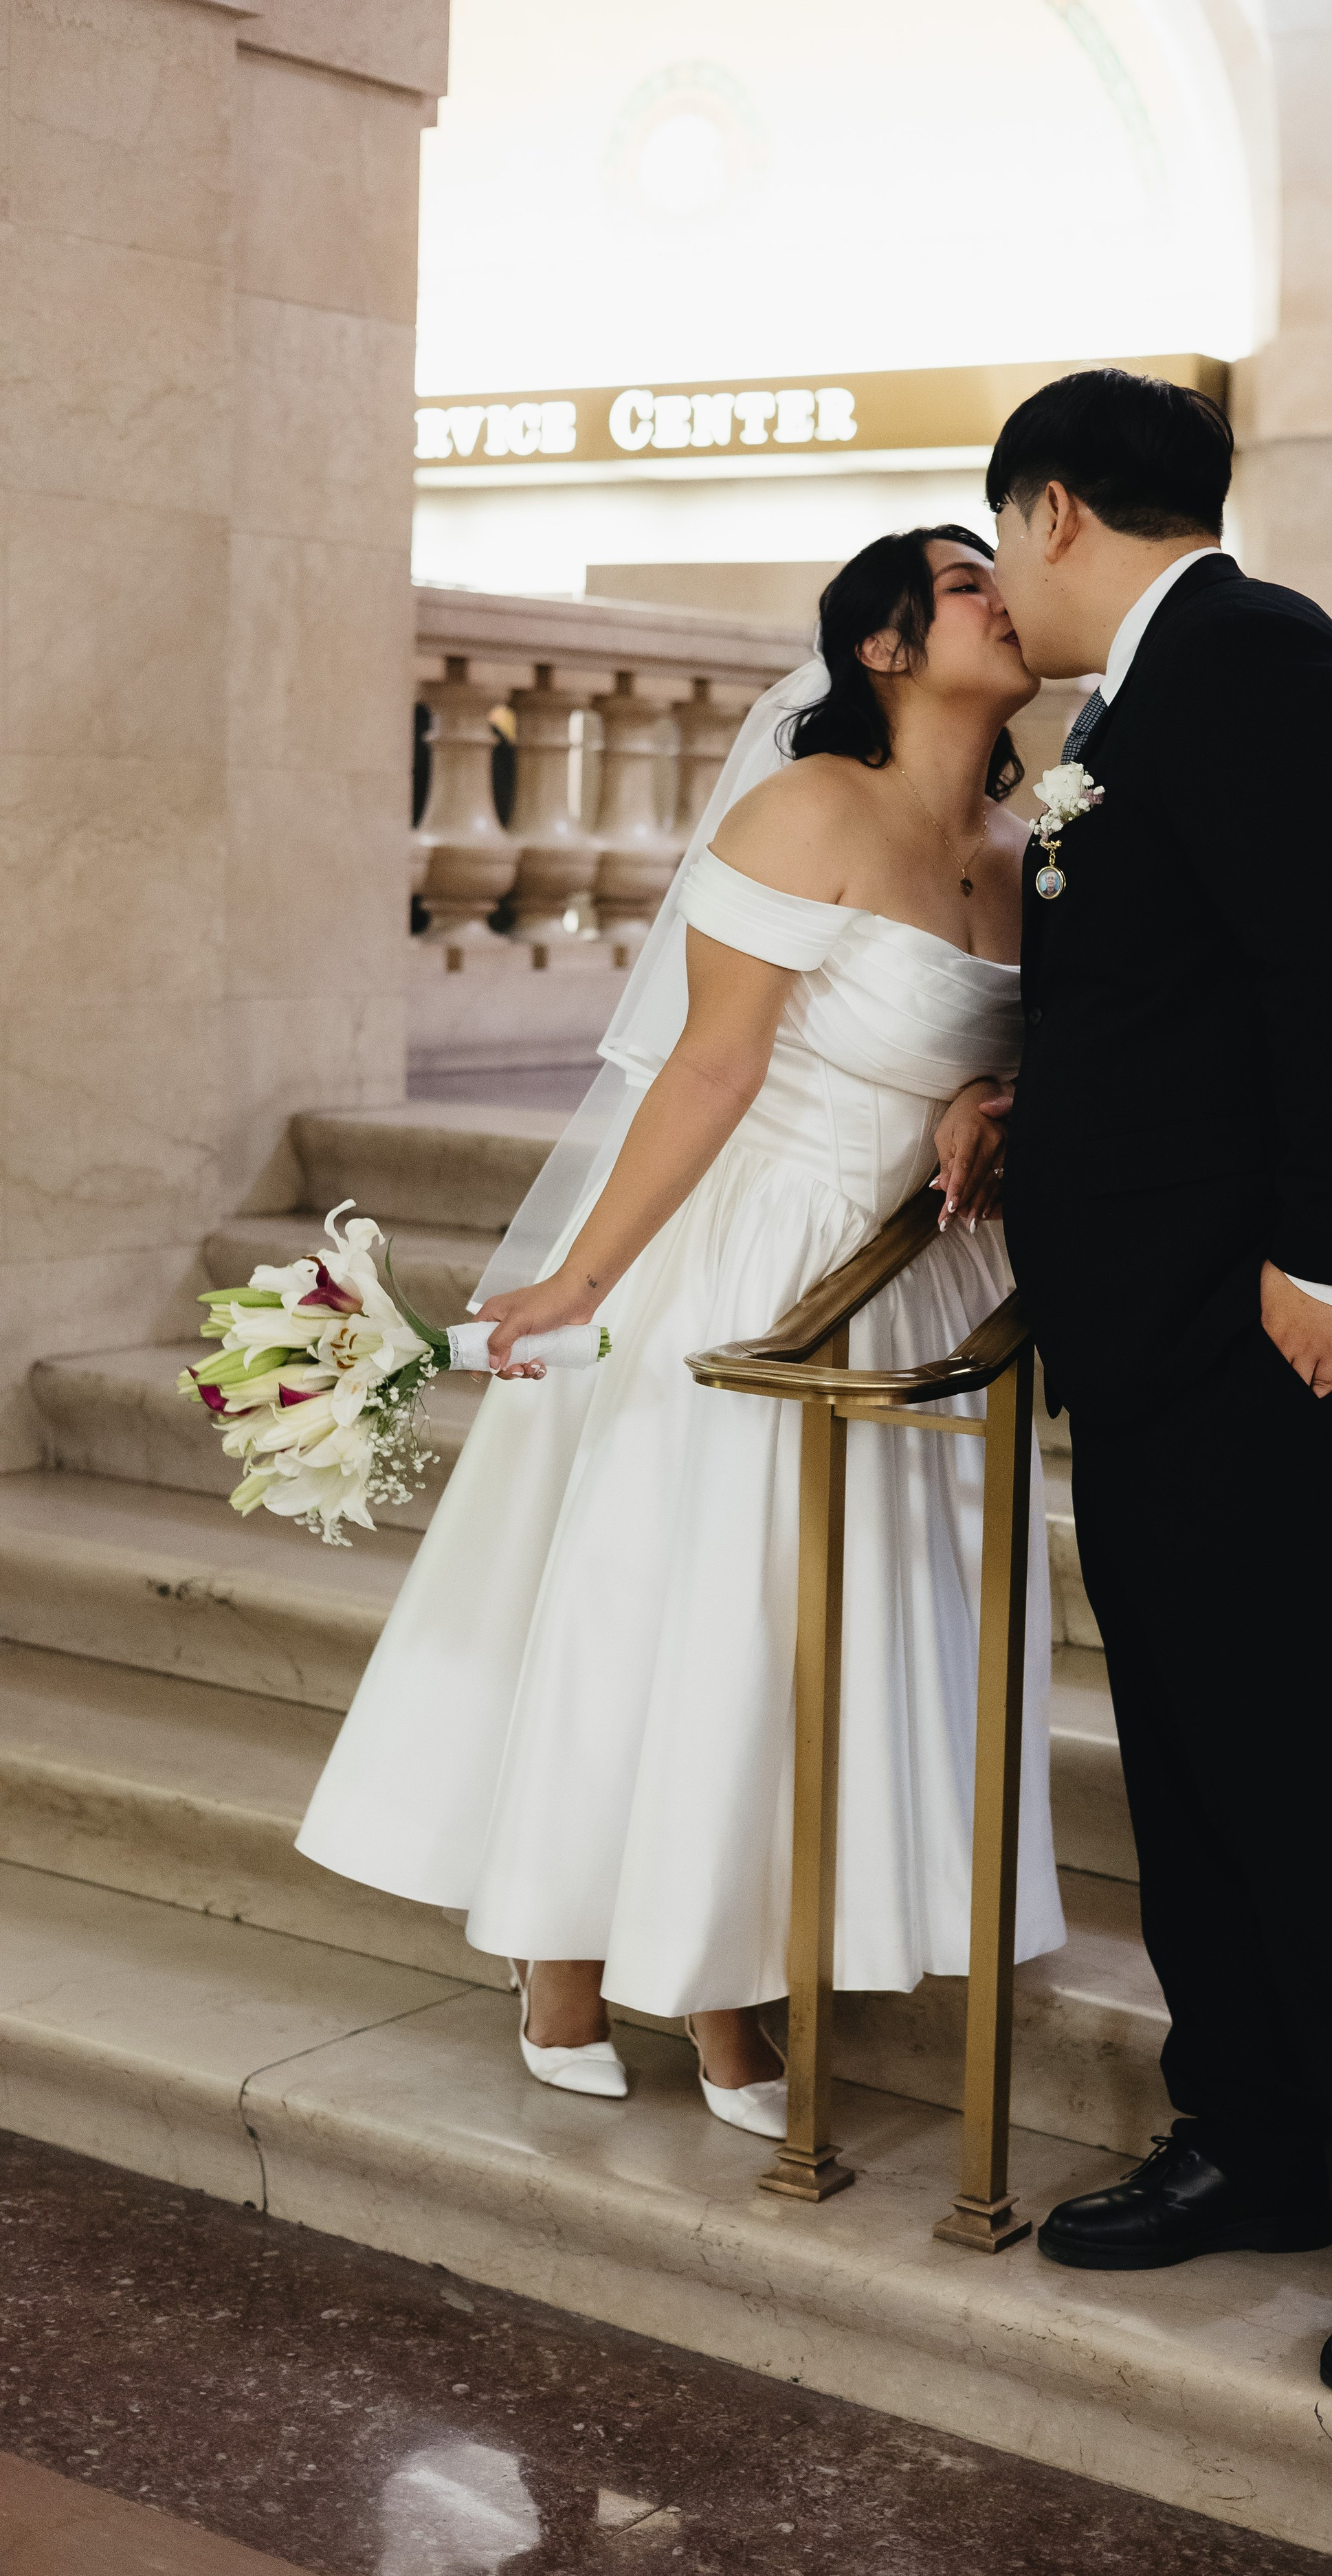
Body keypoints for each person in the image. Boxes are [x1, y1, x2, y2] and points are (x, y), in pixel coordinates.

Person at [296, 526, 1065, 2136]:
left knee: (840, 1628)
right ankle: (611, 1967)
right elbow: (712, 1070)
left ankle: (746, 1951)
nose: (1003, 598)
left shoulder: (1023, 841)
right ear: (883, 646)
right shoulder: (805, 810)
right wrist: (584, 1284)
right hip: (750, 1251)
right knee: (698, 1611)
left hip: (907, 1272)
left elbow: (1044, 1043)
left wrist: (999, 1098)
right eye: (965, 585)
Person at [986, 370, 1332, 2401]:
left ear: (1052, 510)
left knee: (1303, 1780)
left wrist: (1331, 1262)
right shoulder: (1154, 687)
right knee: (1202, 1770)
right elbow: (1177, 999)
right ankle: (1258, 2144)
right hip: (1158, 1332)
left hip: (1280, 1332)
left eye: (1004, 545)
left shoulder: (1250, 656)